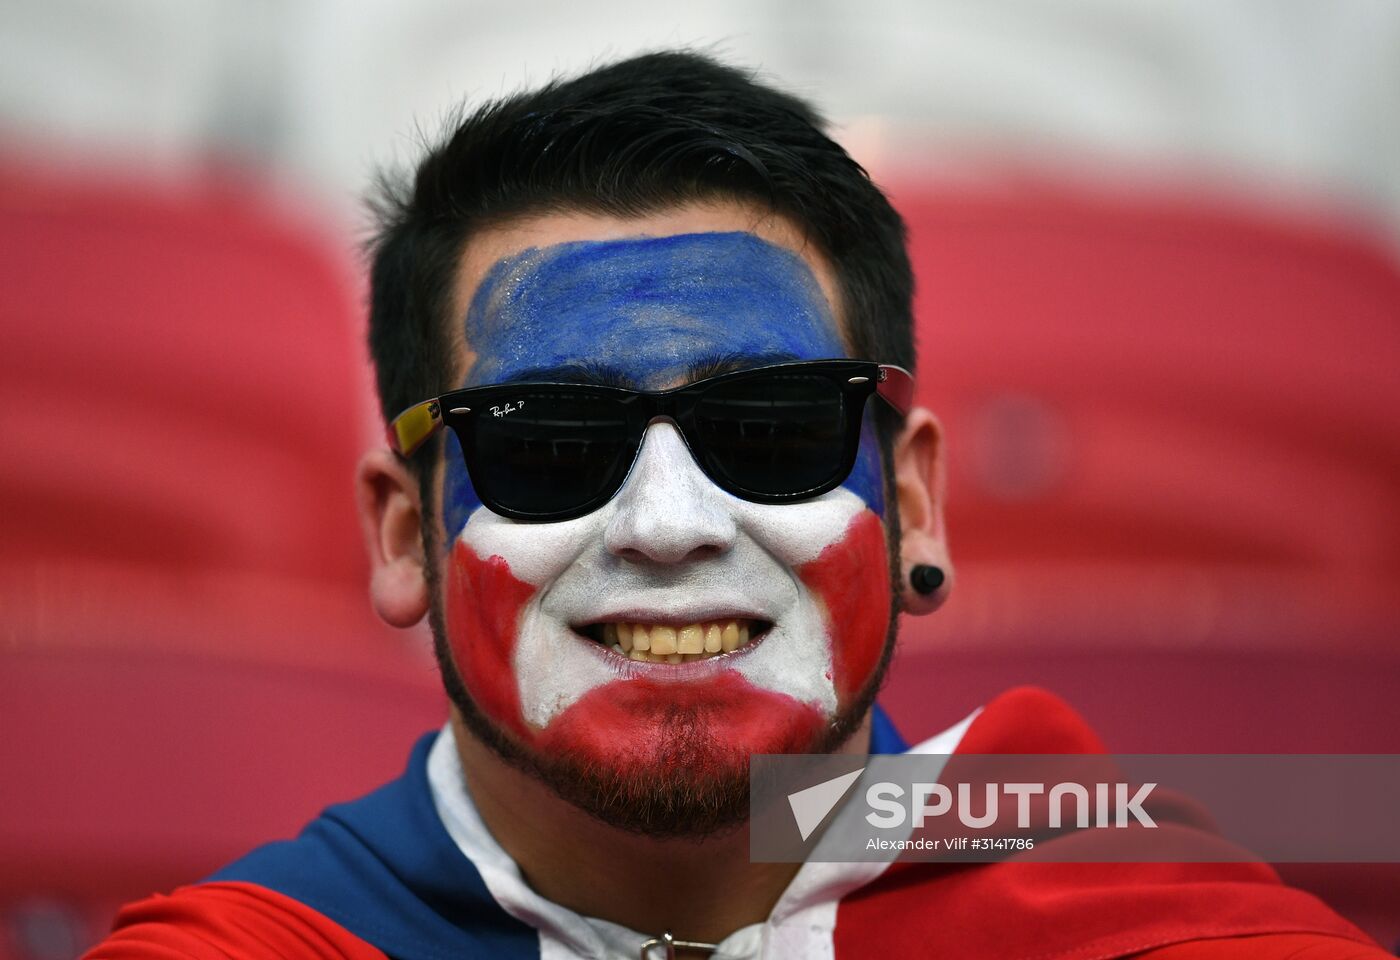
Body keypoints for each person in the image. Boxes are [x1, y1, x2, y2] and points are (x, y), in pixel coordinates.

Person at [85, 51, 1387, 960]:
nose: (668, 523)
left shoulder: (1152, 925)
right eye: (550, 445)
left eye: (767, 432)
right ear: (402, 533)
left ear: (918, 504)